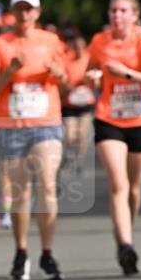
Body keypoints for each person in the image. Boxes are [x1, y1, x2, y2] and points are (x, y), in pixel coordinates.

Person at [0, 0, 67, 280]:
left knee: (46, 186)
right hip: (11, 127)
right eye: (19, 9)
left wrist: (59, 74)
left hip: (46, 123)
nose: (24, 14)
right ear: (12, 12)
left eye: (29, 9)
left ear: (37, 12)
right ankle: (21, 252)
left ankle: (46, 252)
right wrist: (10, 71)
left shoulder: (51, 40)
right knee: (21, 192)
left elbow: (65, 81)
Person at [86, 0, 141, 275]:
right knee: (118, 183)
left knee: (133, 187)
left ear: (134, 15)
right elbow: (88, 74)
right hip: (108, 117)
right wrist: (91, 78)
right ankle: (125, 245)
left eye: (123, 11)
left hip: (140, 119)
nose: (117, 16)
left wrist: (127, 73)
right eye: (113, 10)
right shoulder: (99, 41)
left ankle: (126, 229)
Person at [60, 32, 95, 174]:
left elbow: (96, 80)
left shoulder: (89, 60)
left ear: (85, 47)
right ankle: (69, 153)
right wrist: (70, 87)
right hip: (70, 102)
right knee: (70, 135)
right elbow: (62, 80)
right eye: (76, 47)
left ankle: (79, 160)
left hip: (86, 102)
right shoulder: (67, 60)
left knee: (82, 134)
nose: (78, 49)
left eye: (81, 46)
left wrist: (88, 81)